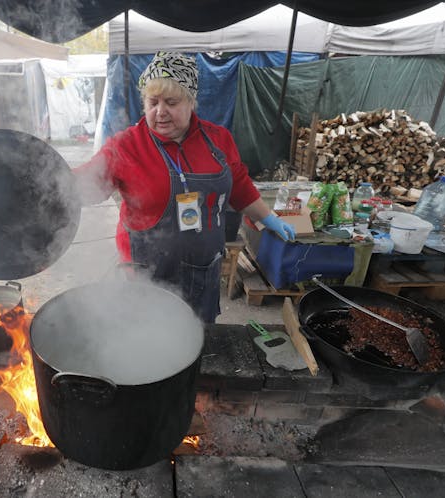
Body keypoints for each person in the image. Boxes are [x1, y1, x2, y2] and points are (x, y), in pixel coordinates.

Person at [74, 52, 295, 323]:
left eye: (171, 102)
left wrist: (268, 218)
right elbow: (86, 184)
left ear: (191, 101)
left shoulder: (218, 140)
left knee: (198, 340)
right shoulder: (126, 146)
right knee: (145, 341)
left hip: (203, 272)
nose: (160, 111)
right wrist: (45, 185)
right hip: (145, 274)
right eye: (152, 102)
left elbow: (239, 186)